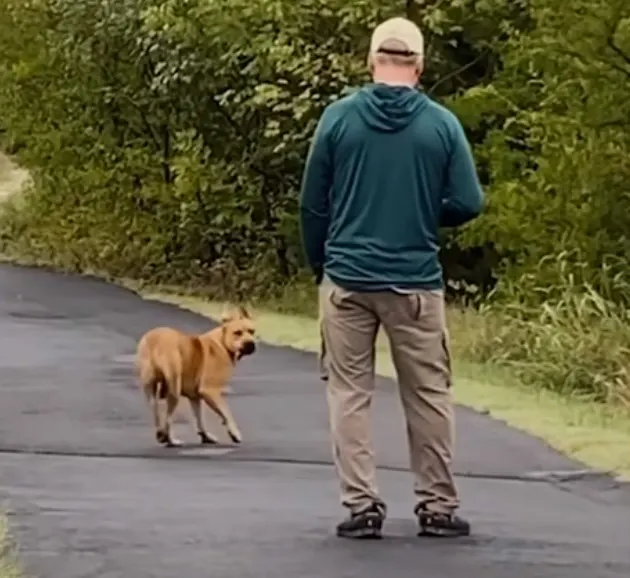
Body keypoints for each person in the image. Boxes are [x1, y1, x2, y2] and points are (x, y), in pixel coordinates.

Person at [298, 16, 484, 539]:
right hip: (415, 283)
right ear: (419, 66)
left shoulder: (338, 119)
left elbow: (313, 204)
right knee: (427, 394)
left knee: (350, 394)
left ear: (371, 60)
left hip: (348, 280)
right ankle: (437, 506)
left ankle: (361, 506)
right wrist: (425, 213)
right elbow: (469, 202)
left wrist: (322, 265)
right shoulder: (441, 125)